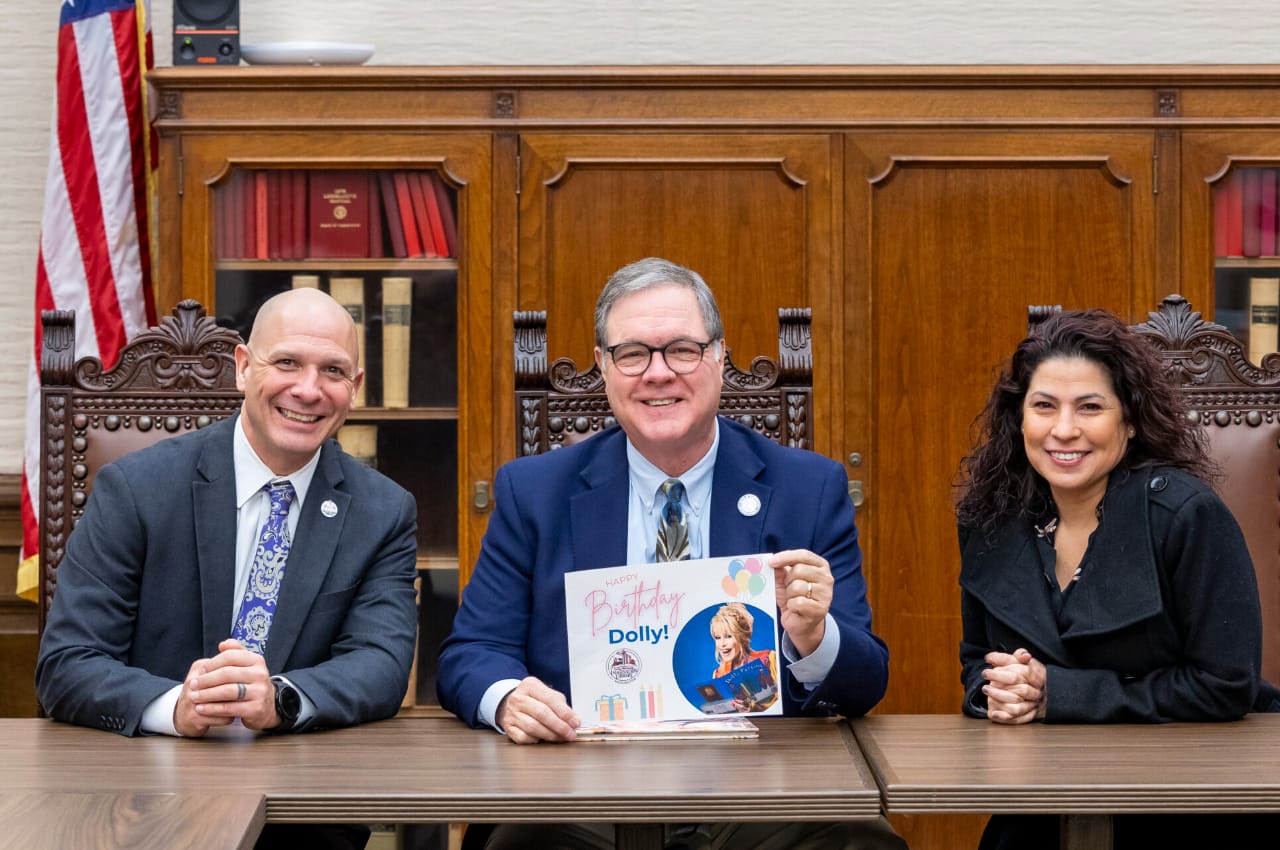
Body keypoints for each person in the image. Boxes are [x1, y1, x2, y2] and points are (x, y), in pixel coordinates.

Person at [439, 257, 903, 850]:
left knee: (861, 843)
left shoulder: (808, 488)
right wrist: (507, 699)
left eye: (682, 350)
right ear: (604, 366)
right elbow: (471, 653)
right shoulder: (533, 492)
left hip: (762, 791)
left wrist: (813, 638)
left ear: (719, 357)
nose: (658, 373)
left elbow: (865, 685)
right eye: (632, 353)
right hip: (582, 788)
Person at [36, 288, 419, 850]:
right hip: (142, 794)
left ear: (355, 388)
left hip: (301, 809)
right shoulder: (136, 489)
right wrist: (177, 707)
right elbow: (67, 662)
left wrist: (279, 699)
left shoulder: (383, 511)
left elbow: (381, 664)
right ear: (243, 367)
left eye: (333, 371)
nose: (308, 389)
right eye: (286, 362)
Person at [954, 308, 1280, 850]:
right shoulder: (989, 520)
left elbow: (1224, 686)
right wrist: (1000, 692)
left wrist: (1058, 695)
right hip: (1049, 794)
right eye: (1044, 406)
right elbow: (976, 658)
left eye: (1090, 407)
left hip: (1192, 798)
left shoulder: (1187, 516)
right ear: (1019, 420)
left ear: (1129, 422)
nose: (1064, 429)